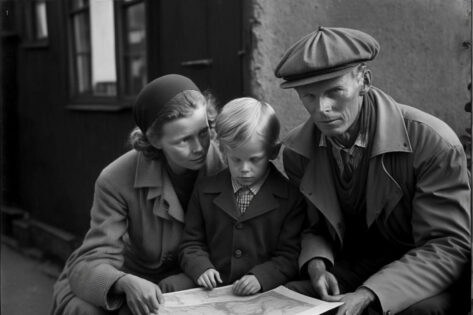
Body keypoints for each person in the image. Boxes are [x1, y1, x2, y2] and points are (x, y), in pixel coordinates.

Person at [274, 26, 471, 315]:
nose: (322, 109)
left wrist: (369, 294)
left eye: (335, 92)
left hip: (424, 275)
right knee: (287, 300)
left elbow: (446, 244)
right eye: (309, 96)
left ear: (364, 81)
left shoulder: (433, 143)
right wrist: (318, 264)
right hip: (355, 266)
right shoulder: (297, 152)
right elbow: (313, 227)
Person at [50, 74, 225, 315]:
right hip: (129, 279)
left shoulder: (229, 166)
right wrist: (123, 282)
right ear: (154, 140)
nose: (199, 148)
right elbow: (91, 261)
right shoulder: (115, 179)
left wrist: (185, 279)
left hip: (195, 281)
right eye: (183, 140)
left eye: (203, 132)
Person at [178, 97, 306, 295]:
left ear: (273, 151)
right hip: (213, 286)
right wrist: (201, 267)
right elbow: (191, 242)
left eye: (254, 159)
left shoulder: (290, 197)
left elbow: (289, 255)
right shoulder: (204, 189)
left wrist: (260, 277)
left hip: (262, 290)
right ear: (223, 151)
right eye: (235, 159)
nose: (244, 169)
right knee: (169, 287)